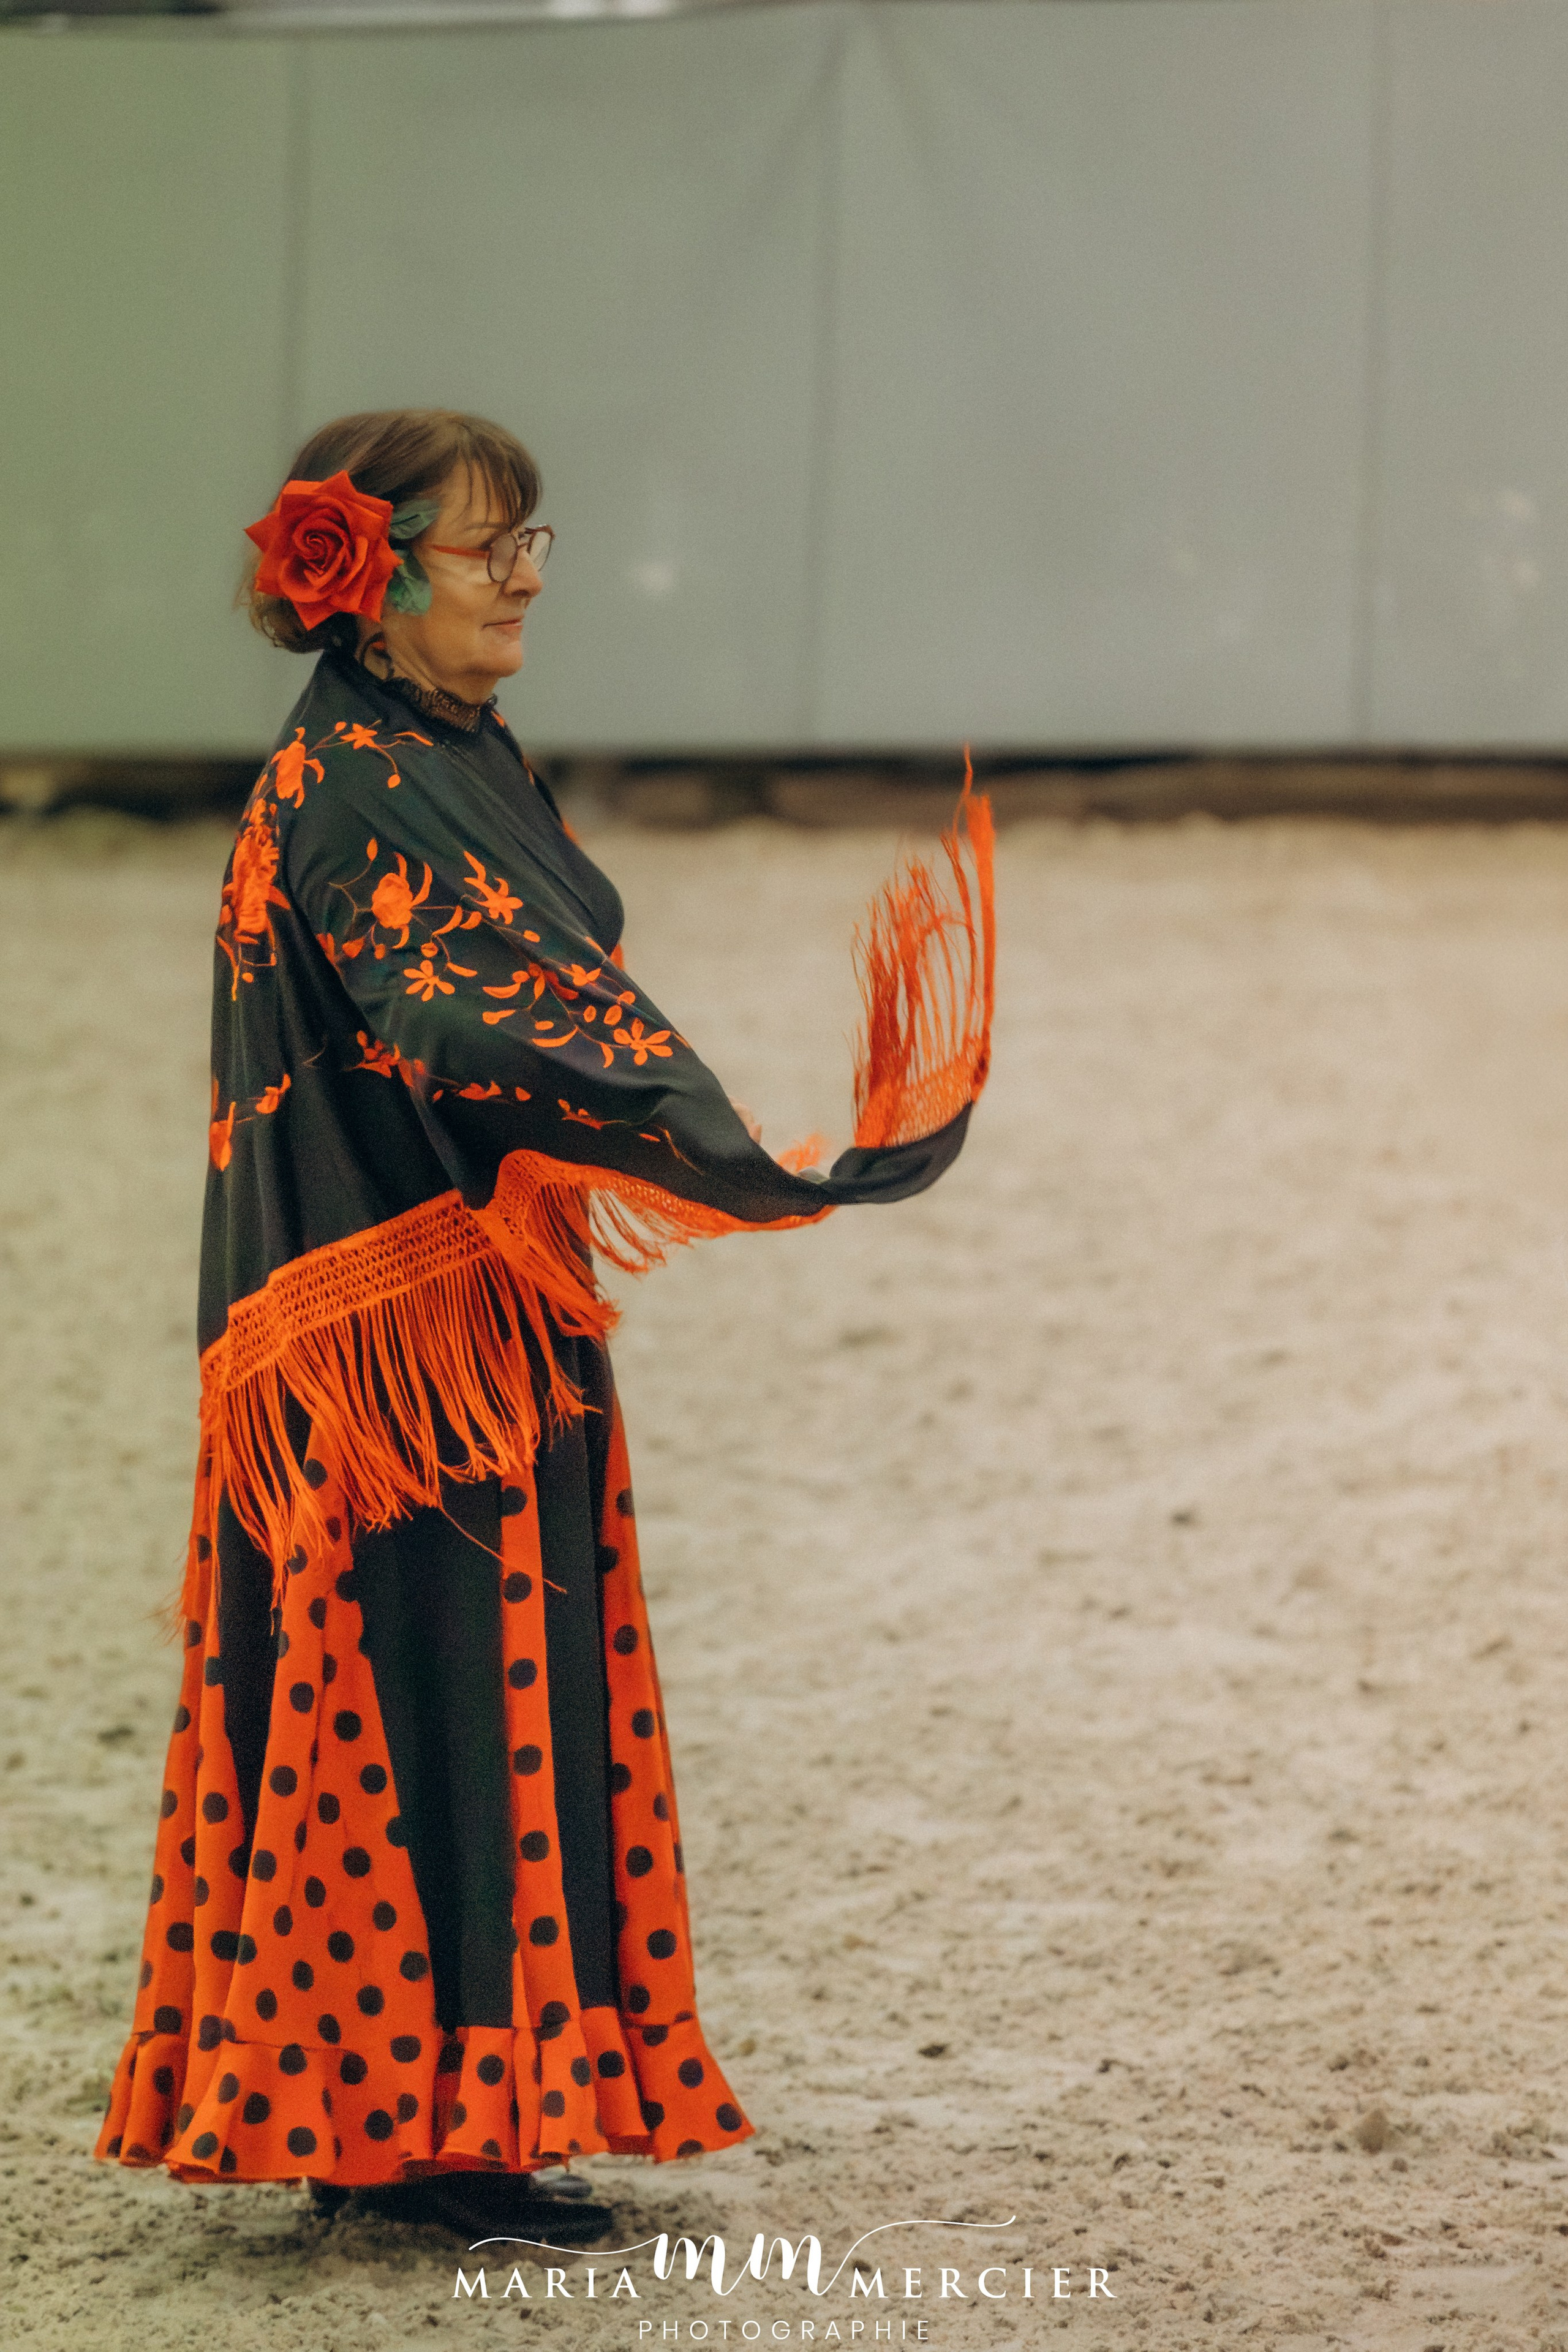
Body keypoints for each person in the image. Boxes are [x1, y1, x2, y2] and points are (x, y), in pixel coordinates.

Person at [95, 409, 993, 2239]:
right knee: (421, 1688)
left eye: (533, 542)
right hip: (386, 1344)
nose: (520, 578)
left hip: (467, 1298)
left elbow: (524, 976)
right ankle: (413, 2144)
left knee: (486, 1686)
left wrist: (689, 1139)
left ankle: (448, 2120)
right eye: (482, 546)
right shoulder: (352, 779)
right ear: (364, 582)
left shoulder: (444, 743)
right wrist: (724, 1150)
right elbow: (468, 1014)